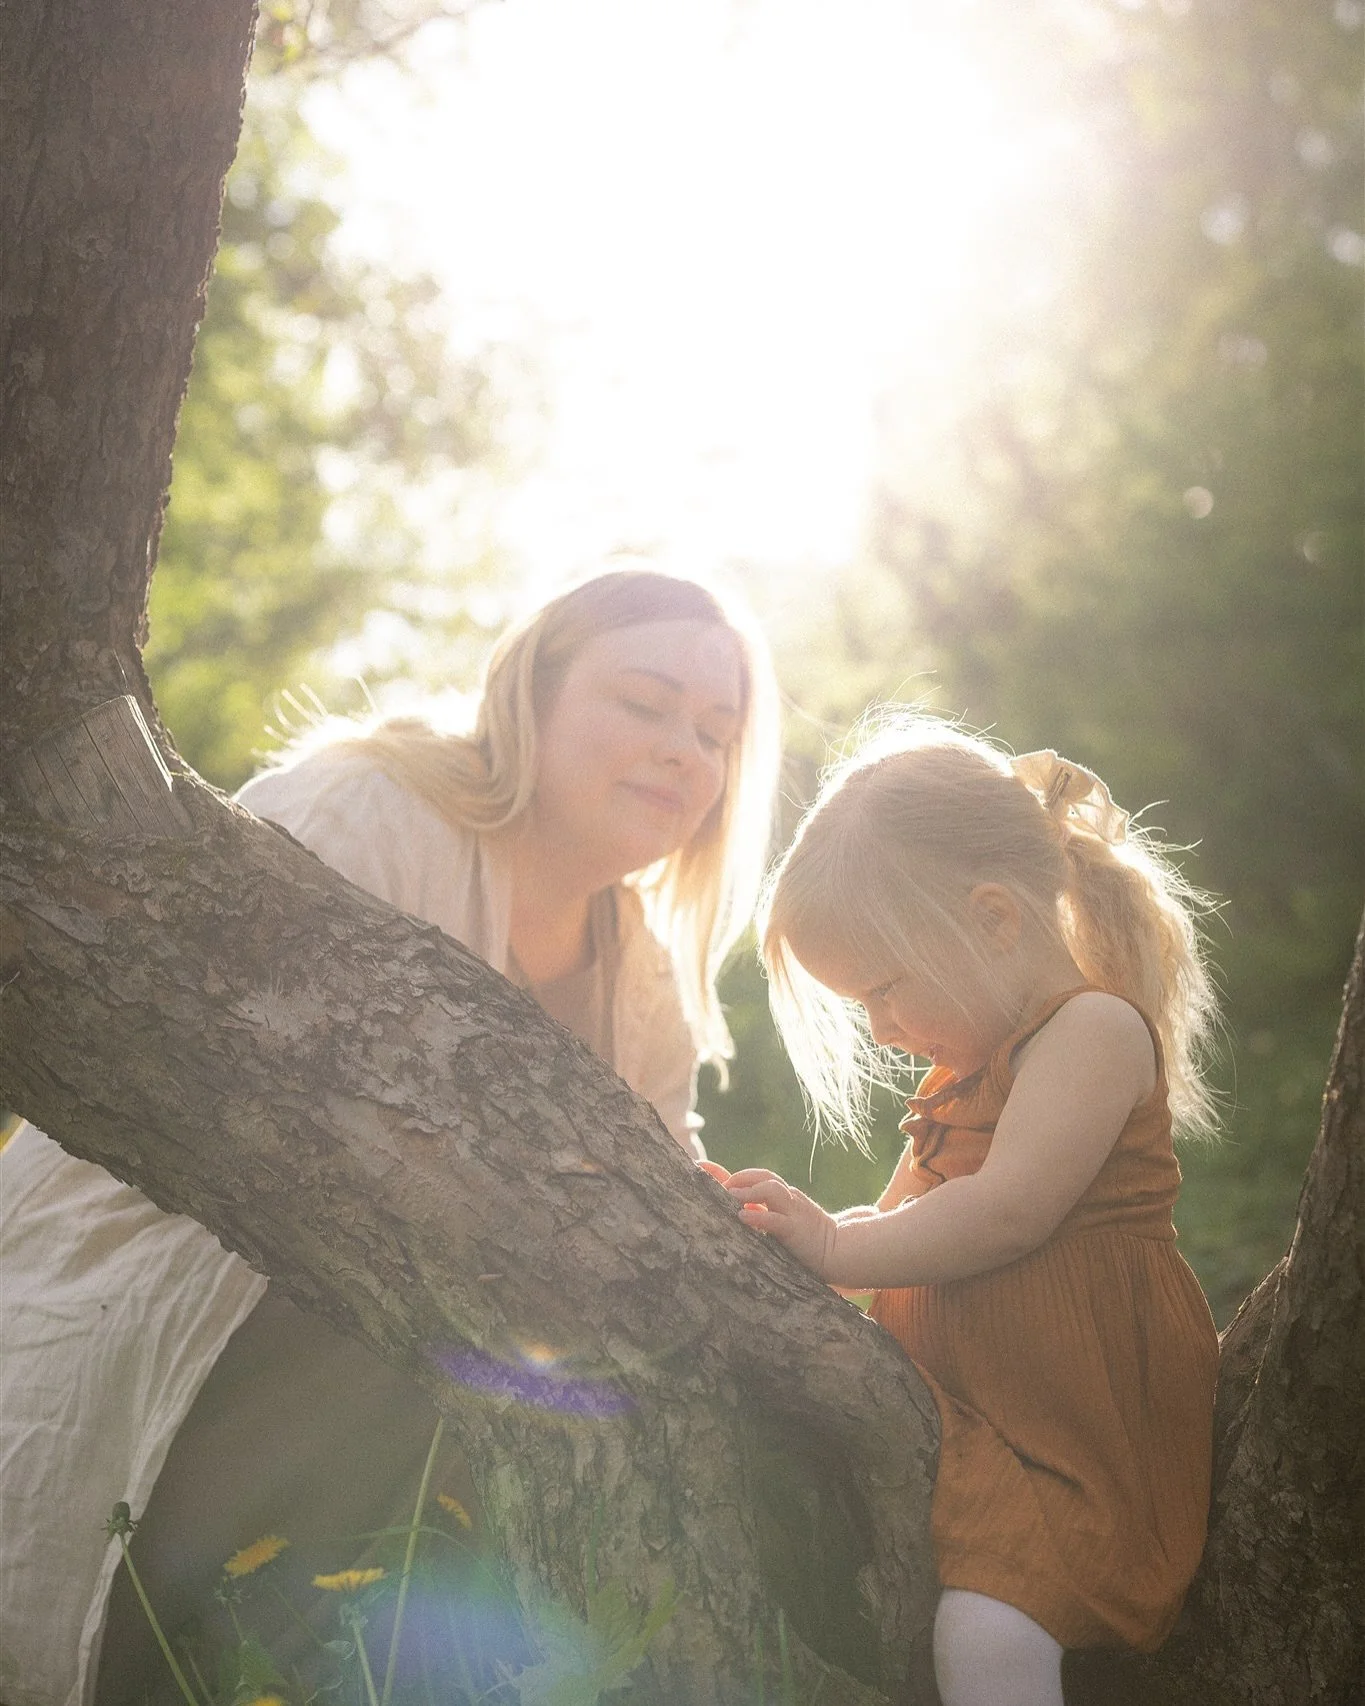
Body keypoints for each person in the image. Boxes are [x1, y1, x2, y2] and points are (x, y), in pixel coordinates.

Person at [0, 567, 780, 1706]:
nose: (684, 751)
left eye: (716, 733)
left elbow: (656, 1187)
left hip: (420, 1384)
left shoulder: (644, 968)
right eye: (646, 703)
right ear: (533, 693)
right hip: (206, 1290)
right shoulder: (368, 809)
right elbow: (206, 1074)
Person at [720, 715, 1220, 1706]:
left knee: (988, 1630)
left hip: (1077, 1425)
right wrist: (809, 1230)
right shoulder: (965, 1076)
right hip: (990, 1414)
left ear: (993, 917)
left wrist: (835, 1243)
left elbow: (1006, 1212)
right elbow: (897, 1221)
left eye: (886, 989)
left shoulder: (1090, 1030)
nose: (883, 1028)